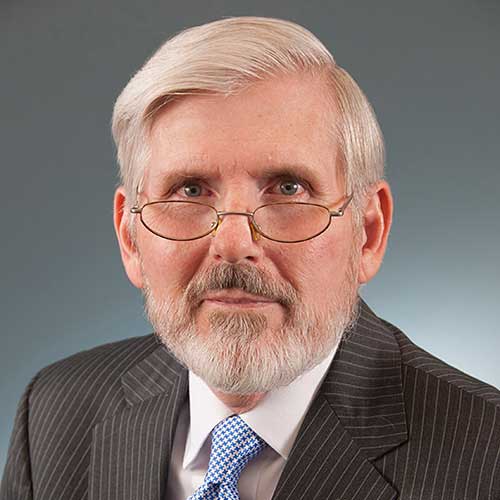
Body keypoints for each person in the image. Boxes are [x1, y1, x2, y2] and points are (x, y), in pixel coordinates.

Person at [2, 16, 500, 500]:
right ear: (130, 237)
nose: (234, 241)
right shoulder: (54, 415)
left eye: (288, 188)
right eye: (190, 190)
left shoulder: (487, 458)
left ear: (367, 233)